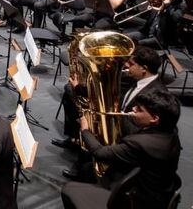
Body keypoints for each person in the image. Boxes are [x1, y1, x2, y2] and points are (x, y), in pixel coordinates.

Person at [57, 47, 168, 179]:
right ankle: (80, 153)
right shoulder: (138, 80)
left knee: (91, 127)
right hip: (121, 124)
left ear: (144, 68)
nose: (126, 65)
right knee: (82, 110)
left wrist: (105, 124)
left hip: (129, 137)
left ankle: (84, 171)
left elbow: (154, 130)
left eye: (132, 64)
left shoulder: (158, 94)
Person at [61, 90, 181, 209]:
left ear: (154, 118)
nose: (133, 109)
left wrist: (85, 130)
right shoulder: (172, 134)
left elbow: (100, 153)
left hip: (137, 202)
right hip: (160, 196)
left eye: (139, 109)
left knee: (69, 189)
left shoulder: (140, 143)